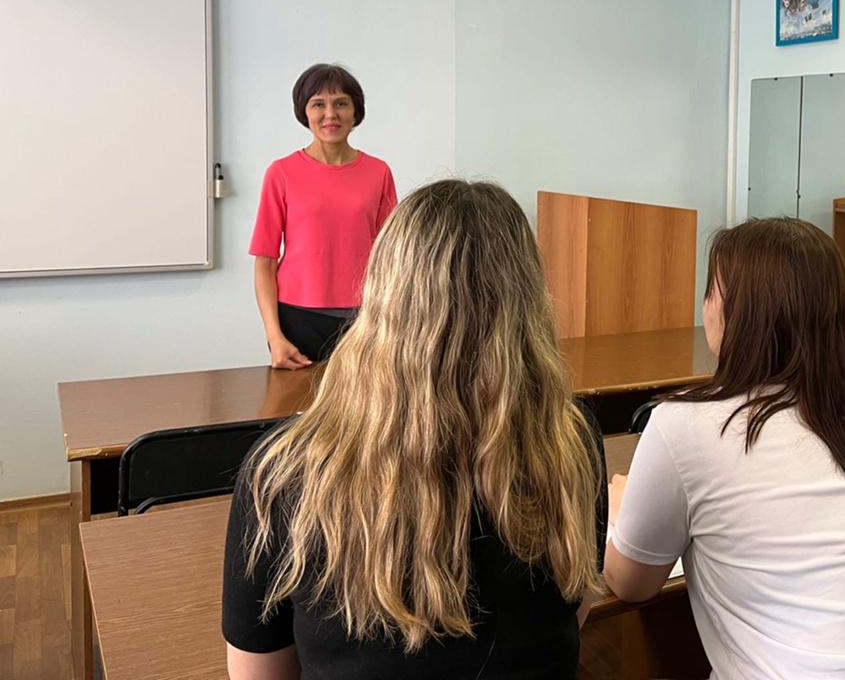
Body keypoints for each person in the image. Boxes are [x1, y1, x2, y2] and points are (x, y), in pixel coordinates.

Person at [223, 179, 607, 680]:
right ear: (529, 300)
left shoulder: (283, 473)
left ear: (381, 296)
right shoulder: (572, 442)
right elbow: (575, 608)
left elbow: (258, 674)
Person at [605, 217, 845, 679]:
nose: (705, 307)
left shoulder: (683, 424)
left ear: (738, 315)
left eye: (711, 292)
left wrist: (621, 512)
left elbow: (631, 584)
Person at [249, 63, 397, 369]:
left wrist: (389, 321)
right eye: (318, 104)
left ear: (356, 112)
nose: (330, 114)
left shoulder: (379, 172)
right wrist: (274, 336)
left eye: (341, 104)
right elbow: (265, 262)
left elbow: (391, 257)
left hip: (364, 318)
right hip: (296, 318)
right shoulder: (281, 173)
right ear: (304, 112)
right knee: (296, 400)